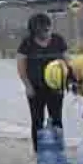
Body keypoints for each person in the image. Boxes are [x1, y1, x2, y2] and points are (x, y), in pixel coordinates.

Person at [17, 13, 68, 156]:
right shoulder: (27, 43)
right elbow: (21, 65)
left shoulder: (58, 40)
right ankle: (39, 151)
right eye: (41, 31)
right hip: (35, 88)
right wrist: (27, 86)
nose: (45, 33)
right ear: (34, 31)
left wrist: (69, 80)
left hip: (56, 88)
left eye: (47, 29)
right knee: (37, 119)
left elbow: (67, 61)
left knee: (56, 118)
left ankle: (58, 149)